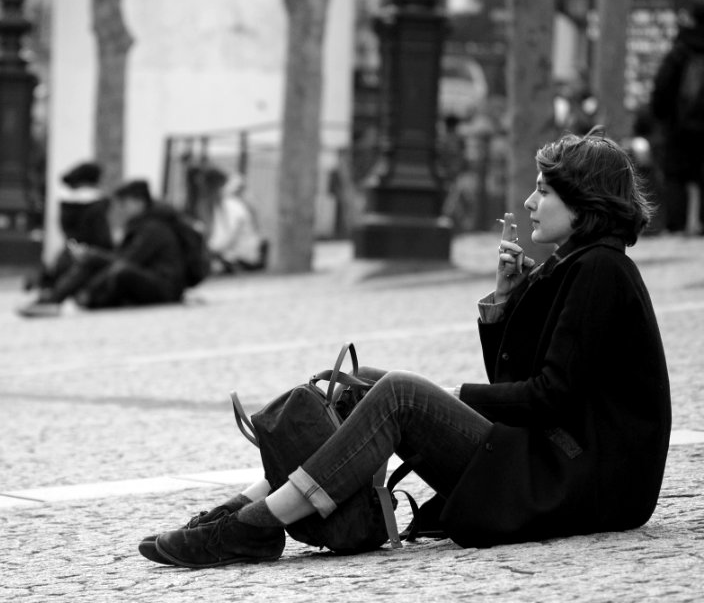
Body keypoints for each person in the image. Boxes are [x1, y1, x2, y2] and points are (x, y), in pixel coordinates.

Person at [139, 129, 671, 568]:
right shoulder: (583, 265)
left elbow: (546, 398)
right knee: (368, 379)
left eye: (544, 192)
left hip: (580, 481)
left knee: (398, 393)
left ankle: (256, 527)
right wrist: (504, 306)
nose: (530, 202)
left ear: (583, 201)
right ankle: (244, 511)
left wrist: (451, 394)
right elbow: (524, 387)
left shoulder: (601, 269)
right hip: (553, 462)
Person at [17, 179, 187, 317]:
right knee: (96, 262)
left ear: (138, 203)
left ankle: (76, 298)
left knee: (116, 269)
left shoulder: (153, 229)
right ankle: (57, 298)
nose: (121, 210)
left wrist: (94, 256)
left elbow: (128, 261)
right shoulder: (142, 226)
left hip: (165, 288)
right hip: (153, 282)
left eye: (124, 204)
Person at [651, 0, 704, 234]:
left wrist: (662, 118)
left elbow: (661, 90)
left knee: (675, 177)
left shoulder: (680, 50)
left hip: (679, 128)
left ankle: (677, 227)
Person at [23, 162, 113, 293]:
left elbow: (67, 231)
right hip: (93, 251)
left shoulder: (66, 203)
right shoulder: (98, 204)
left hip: (70, 249)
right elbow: (102, 235)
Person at [204, 168, 266, 273]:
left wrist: (207, 249)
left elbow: (226, 239)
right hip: (246, 255)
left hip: (241, 258)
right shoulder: (237, 204)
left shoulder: (230, 205)